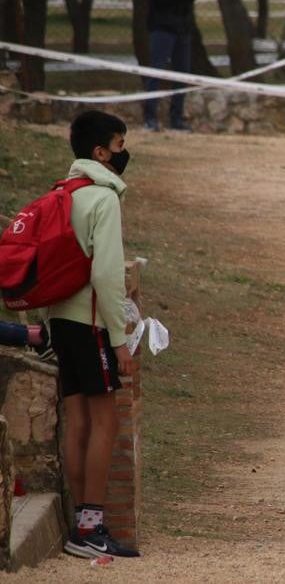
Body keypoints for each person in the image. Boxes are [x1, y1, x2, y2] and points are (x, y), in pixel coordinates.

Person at [51, 110, 140, 558]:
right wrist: (120, 341)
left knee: (78, 418)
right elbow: (106, 276)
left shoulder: (64, 192)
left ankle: (78, 524)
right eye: (120, 146)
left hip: (60, 320)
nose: (125, 155)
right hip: (91, 323)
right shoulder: (104, 199)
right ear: (101, 152)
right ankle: (90, 528)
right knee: (106, 419)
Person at [140, 0, 202, 132]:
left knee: (181, 74)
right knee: (156, 71)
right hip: (161, 28)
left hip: (181, 28)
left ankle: (177, 118)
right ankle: (150, 117)